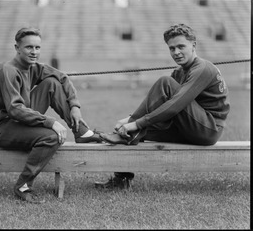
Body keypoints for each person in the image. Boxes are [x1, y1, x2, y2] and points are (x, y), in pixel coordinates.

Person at [96, 24, 230, 189]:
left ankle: (133, 126)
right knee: (133, 131)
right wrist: (129, 120)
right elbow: (161, 102)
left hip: (208, 128)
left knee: (163, 83)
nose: (176, 52)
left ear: (194, 45)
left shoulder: (203, 68)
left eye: (181, 46)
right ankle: (121, 180)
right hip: (187, 125)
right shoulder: (179, 72)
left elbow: (174, 106)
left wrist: (135, 122)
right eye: (171, 48)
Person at [0, 27, 102, 204]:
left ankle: (81, 132)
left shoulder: (33, 67)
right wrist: (50, 122)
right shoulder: (8, 71)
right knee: (52, 137)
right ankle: (23, 186)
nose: (34, 52)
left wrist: (75, 106)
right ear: (17, 48)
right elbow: (14, 109)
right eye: (29, 47)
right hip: (0, 127)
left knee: (52, 83)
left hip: (17, 117)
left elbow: (63, 78)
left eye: (37, 48)